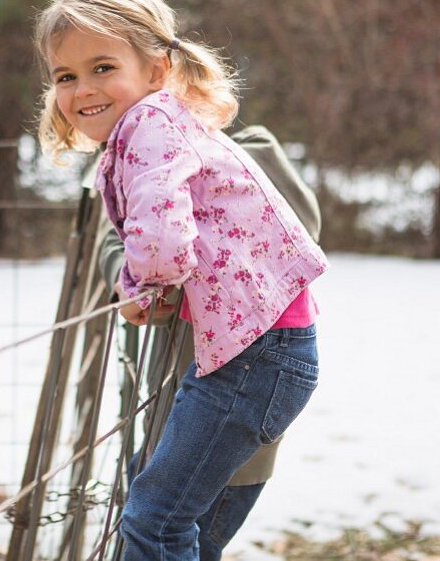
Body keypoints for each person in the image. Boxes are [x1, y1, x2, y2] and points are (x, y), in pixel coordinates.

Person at [35, 0, 329, 560]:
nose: (82, 89)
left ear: (157, 69)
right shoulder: (157, 123)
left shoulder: (149, 122)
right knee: (193, 533)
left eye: (103, 68)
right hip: (268, 351)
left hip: (254, 359)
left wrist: (141, 289)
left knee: (154, 522)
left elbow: (163, 239)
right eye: (65, 75)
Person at [90, 123, 322, 560]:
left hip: (237, 389)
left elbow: (296, 228)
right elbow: (114, 238)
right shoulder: (135, 156)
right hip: (169, 398)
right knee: (147, 527)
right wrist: (134, 281)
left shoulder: (244, 146)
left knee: (160, 530)